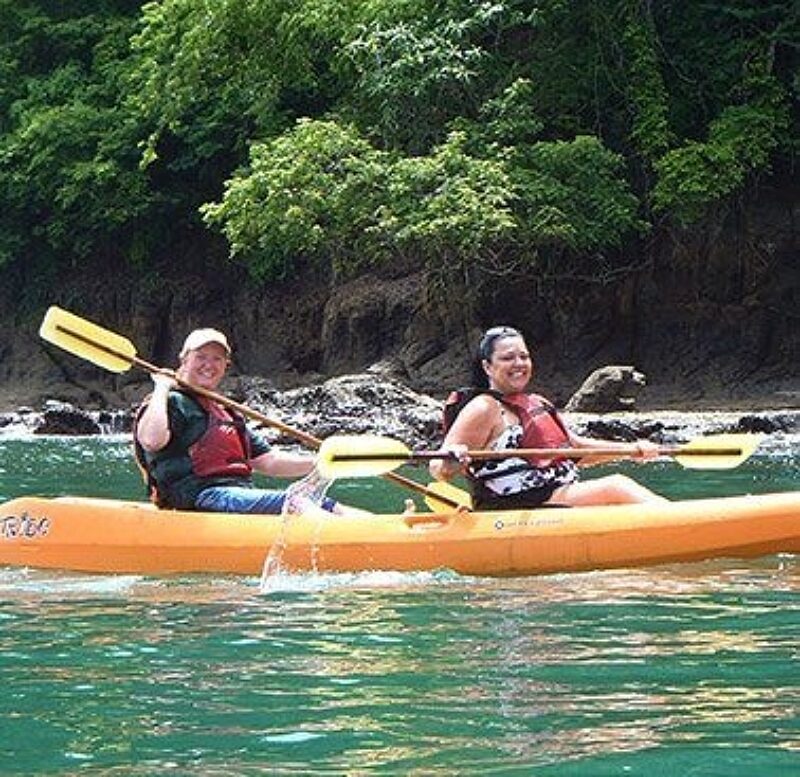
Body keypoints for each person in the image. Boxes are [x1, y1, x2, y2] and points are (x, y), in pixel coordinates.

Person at [430, 326, 667, 508]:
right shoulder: (483, 408)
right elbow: (438, 467)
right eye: (508, 358)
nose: (519, 364)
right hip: (514, 507)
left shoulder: (538, 403)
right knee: (615, 486)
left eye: (524, 356)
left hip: (556, 497)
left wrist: (632, 450)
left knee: (616, 491)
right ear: (487, 367)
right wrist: (453, 459)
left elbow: (575, 449)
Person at [134, 327, 357, 515]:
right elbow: (151, 441)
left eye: (217, 359)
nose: (209, 364)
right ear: (184, 360)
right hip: (200, 495)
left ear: (225, 365)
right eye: (201, 357)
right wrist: (161, 387)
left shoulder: (228, 413)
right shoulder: (170, 402)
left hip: (235, 495)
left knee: (325, 504)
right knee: (296, 502)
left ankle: (366, 535)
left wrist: (322, 462)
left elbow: (270, 462)